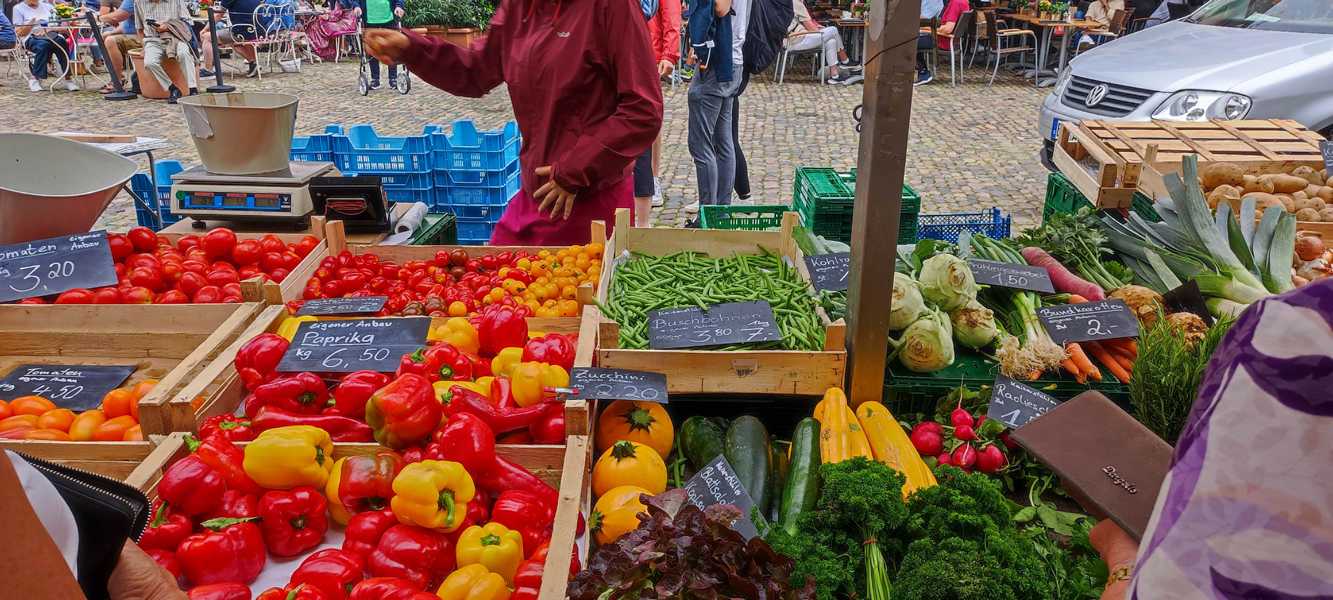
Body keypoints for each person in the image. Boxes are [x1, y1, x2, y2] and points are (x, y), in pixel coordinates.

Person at [361, 0, 662, 245]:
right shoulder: (519, 7)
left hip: (586, 201)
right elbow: (476, 71)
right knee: (496, 294)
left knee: (568, 313)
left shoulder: (612, 7)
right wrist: (412, 50)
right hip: (534, 193)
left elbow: (642, 110)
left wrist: (574, 170)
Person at [682, 0, 737, 216]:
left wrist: (700, 45)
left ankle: (709, 216)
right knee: (723, 142)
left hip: (717, 60)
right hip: (728, 58)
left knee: (701, 145)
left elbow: (721, 7)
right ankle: (720, 214)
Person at [633, 0, 680, 225]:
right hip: (623, 51)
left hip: (648, 52)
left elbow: (671, 12)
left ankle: (653, 178)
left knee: (650, 122)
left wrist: (669, 54)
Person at [135, 0, 196, 102]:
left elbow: (188, 22)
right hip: (152, 39)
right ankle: (173, 89)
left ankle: (193, 89)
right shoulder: (139, 2)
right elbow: (139, 28)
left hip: (175, 37)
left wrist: (168, 26)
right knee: (149, 63)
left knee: (183, 53)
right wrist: (144, 47)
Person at [785, 0, 859, 84]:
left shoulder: (789, 2)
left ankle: (834, 76)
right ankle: (845, 61)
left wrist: (820, 29)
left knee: (831, 41)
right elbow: (812, 29)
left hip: (792, 39)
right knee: (833, 30)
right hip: (795, 40)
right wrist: (821, 30)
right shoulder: (796, 3)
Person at [13, 0, 79, 92]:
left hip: (51, 34)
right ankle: (35, 79)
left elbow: (59, 24)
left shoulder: (47, 6)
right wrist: (31, 23)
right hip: (30, 36)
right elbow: (19, 33)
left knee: (62, 42)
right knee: (43, 45)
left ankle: (68, 78)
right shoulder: (18, 9)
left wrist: (49, 29)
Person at [199, 0, 260, 78]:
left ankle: (208, 70)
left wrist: (204, 29)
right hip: (259, 31)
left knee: (207, 37)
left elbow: (218, 15)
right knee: (233, 42)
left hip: (243, 31)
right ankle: (253, 63)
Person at [354, 0, 403, 90]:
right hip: (370, 19)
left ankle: (393, 79)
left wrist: (399, 6)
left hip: (389, 18)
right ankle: (375, 80)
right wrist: (356, 6)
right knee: (373, 50)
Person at [95, 0, 138, 93]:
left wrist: (98, 18)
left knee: (111, 41)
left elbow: (116, 17)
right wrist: (111, 32)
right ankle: (119, 78)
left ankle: (117, 81)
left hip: (142, 36)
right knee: (107, 36)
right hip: (137, 34)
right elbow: (127, 25)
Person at [914, 0, 942, 84]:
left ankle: (923, 72)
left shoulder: (932, 2)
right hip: (924, 33)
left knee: (905, 41)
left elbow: (923, 19)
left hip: (929, 36)